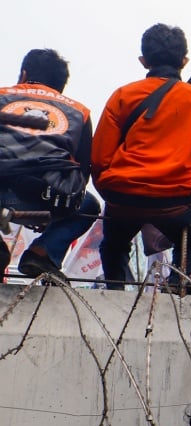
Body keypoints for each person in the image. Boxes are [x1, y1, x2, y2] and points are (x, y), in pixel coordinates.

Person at [91, 23, 191, 291]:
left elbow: (99, 158)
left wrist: (110, 189)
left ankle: (115, 292)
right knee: (190, 243)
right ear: (184, 61)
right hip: (175, 198)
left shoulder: (122, 95)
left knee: (113, 246)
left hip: (122, 194)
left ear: (144, 61)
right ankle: (176, 287)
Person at [0, 48, 101, 280]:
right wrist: (54, 209)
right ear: (60, 86)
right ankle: (41, 252)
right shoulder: (79, 112)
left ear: (23, 74)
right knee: (88, 206)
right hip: (47, 198)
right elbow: (83, 172)